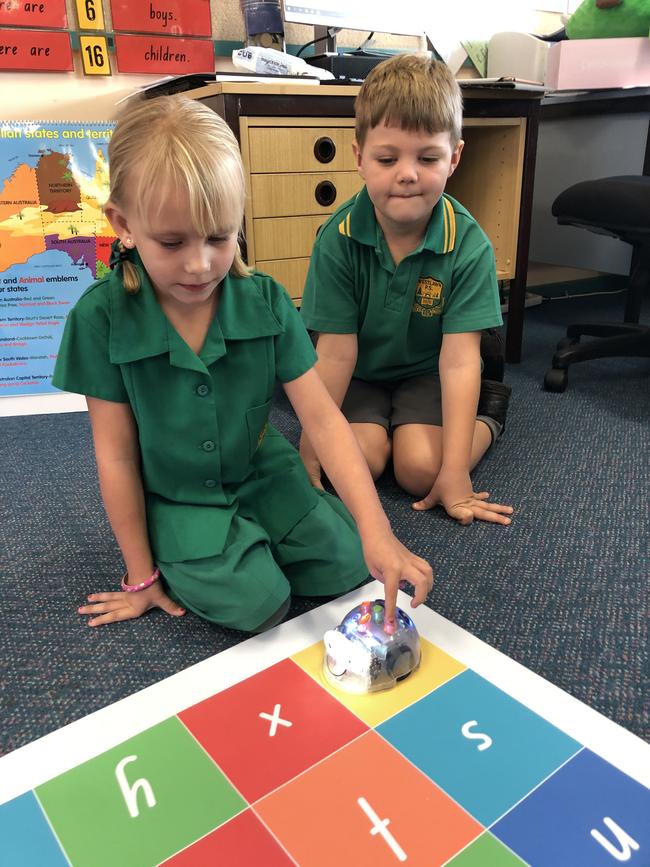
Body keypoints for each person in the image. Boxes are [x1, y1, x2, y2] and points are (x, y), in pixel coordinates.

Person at [52, 95, 432, 634]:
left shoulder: (267, 300)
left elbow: (323, 421)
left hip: (262, 473)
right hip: (179, 495)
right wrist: (141, 577)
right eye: (171, 241)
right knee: (259, 604)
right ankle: (200, 545)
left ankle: (257, 534)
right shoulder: (100, 318)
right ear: (123, 223)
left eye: (219, 236)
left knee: (348, 560)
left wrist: (379, 532)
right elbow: (114, 457)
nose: (200, 263)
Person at [300, 54, 514, 527]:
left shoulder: (469, 244)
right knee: (355, 462)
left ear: (454, 157)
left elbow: (458, 361)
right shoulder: (337, 239)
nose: (407, 174)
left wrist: (455, 472)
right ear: (359, 158)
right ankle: (385, 431)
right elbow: (333, 356)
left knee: (421, 471)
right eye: (387, 158)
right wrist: (308, 449)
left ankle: (492, 414)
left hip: (427, 372)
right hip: (361, 373)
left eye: (428, 158)